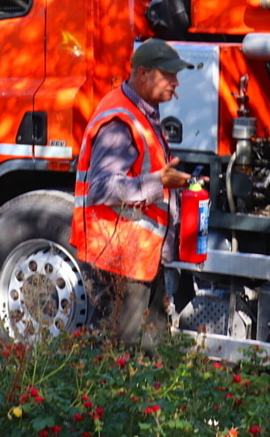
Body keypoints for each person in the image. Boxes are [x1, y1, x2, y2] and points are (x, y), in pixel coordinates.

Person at [70, 38, 193, 346]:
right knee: (120, 356)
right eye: (168, 75)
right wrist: (158, 183)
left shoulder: (142, 113)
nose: (176, 83)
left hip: (138, 259)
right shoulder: (120, 120)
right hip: (120, 259)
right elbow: (101, 187)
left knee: (145, 355)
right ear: (142, 74)